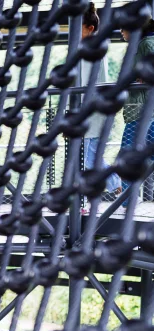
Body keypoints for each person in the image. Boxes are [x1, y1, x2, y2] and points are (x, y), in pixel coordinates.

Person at [79, 2, 122, 213]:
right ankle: (89, 201)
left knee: (89, 160)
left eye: (79, 26)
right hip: (92, 114)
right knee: (88, 159)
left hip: (95, 114)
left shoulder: (93, 48)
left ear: (90, 28)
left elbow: (92, 83)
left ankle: (117, 184)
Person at [119, 17, 154, 207]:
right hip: (148, 108)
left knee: (127, 154)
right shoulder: (147, 42)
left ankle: (126, 201)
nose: (121, 33)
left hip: (140, 108)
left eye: (123, 29)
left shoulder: (145, 44)